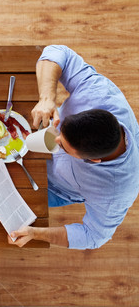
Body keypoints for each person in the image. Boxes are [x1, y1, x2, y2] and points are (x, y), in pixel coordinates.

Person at [9, 45, 139, 249]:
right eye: (60, 132)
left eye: (63, 146)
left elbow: (94, 236)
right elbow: (58, 52)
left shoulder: (114, 192)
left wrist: (35, 233)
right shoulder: (100, 95)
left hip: (55, 187)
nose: (55, 140)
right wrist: (47, 98)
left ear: (94, 161)